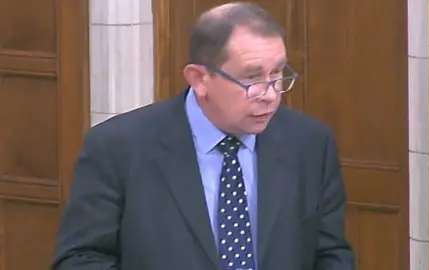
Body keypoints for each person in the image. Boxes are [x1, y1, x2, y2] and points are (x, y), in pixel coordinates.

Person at [51, 2, 355, 270]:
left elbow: (330, 253)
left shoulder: (310, 144)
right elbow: (80, 258)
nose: (270, 94)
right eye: (252, 77)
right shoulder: (117, 148)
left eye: (277, 74)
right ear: (200, 79)